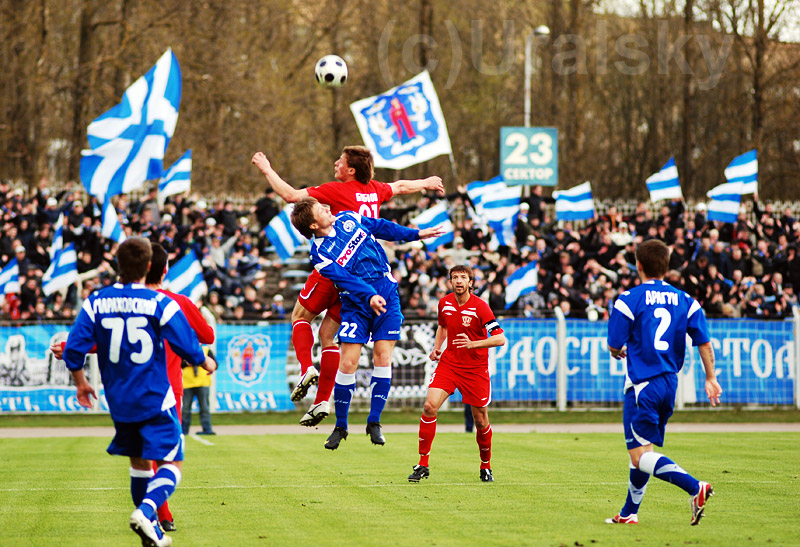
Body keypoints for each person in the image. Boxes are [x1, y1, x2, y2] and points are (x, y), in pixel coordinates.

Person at [252, 147, 444, 428]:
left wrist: (266, 169)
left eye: (340, 161)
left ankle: (307, 369)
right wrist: (426, 183)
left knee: (300, 317)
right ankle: (322, 400)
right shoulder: (375, 189)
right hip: (366, 274)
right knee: (328, 336)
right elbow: (401, 187)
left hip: (338, 266)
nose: (335, 164)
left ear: (351, 170)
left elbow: (292, 196)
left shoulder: (337, 192)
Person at [61, 237, 217, 547]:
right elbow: (189, 345)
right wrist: (205, 362)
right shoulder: (160, 302)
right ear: (148, 266)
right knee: (173, 461)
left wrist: (81, 383)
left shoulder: (95, 301)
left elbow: (73, 351)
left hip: (119, 401)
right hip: (155, 396)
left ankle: (152, 532)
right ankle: (146, 512)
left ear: (118, 265)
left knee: (140, 464)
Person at [290, 197, 444, 450]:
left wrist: (416, 234)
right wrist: (369, 295)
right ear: (314, 225)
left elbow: (382, 227)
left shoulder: (348, 218)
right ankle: (341, 426)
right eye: (321, 209)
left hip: (387, 293)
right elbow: (346, 279)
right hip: (356, 303)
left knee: (383, 357)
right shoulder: (320, 255)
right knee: (348, 363)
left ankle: (374, 421)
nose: (327, 209)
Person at [606, 239, 722, 526]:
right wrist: (710, 377)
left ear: (638, 265)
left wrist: (618, 351)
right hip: (669, 383)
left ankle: (695, 487)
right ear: (667, 267)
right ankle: (629, 513)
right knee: (642, 449)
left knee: (640, 456)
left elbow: (614, 345)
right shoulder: (687, 301)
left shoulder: (629, 299)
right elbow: (704, 342)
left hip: (642, 385)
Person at [408, 266, 506, 484]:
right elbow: (442, 326)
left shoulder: (481, 307)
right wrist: (437, 348)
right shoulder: (444, 303)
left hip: (475, 369)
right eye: (455, 277)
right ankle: (423, 464)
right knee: (429, 406)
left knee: (480, 420)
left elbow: (500, 338)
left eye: (463, 277)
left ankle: (486, 465)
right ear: (450, 282)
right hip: (450, 364)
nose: (459, 281)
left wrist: (473, 344)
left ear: (470, 282)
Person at [182, 348, 215, 436]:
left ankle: (207, 429)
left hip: (203, 383)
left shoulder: (206, 350)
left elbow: (215, 364)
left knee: (204, 408)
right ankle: (183, 431)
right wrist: (187, 363)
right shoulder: (184, 348)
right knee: (185, 409)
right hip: (187, 384)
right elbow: (179, 364)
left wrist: (203, 362)